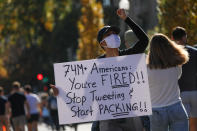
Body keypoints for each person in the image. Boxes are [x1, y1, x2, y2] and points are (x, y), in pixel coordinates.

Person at [51, 8, 149, 131]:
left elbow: (144, 40)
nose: (114, 36)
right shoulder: (96, 67)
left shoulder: (128, 58)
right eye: (109, 35)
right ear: (102, 43)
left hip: (131, 115)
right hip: (108, 120)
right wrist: (61, 95)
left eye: (115, 34)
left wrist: (126, 19)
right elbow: (85, 104)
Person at [147, 33, 189, 131]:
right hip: (176, 107)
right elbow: (177, 77)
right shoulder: (176, 65)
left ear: (152, 49)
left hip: (156, 110)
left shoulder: (145, 69)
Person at [171, 26, 197, 131]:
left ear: (172, 38)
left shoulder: (170, 54)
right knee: (194, 125)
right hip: (195, 92)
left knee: (182, 125)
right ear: (185, 37)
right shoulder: (195, 52)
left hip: (179, 93)